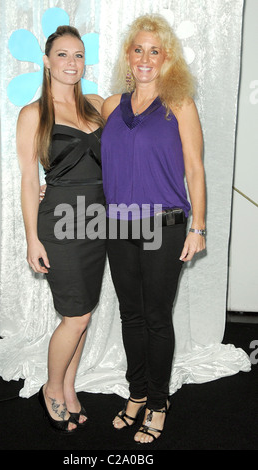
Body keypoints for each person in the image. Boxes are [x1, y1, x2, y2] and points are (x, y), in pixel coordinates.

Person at [101, 14, 206, 444]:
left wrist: (197, 227)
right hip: (117, 226)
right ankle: (137, 393)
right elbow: (93, 159)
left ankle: (159, 402)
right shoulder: (111, 106)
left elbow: (196, 169)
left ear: (167, 59)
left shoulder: (179, 104)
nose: (145, 58)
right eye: (138, 49)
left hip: (165, 226)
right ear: (129, 56)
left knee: (157, 318)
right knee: (131, 315)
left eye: (154, 51)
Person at [16, 25, 106, 434]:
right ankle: (51, 389)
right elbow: (28, 180)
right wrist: (32, 237)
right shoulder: (34, 113)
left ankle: (70, 387)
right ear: (48, 62)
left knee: (83, 313)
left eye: (79, 55)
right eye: (63, 55)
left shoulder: (96, 106)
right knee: (76, 315)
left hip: (98, 222)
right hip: (61, 223)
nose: (72, 62)